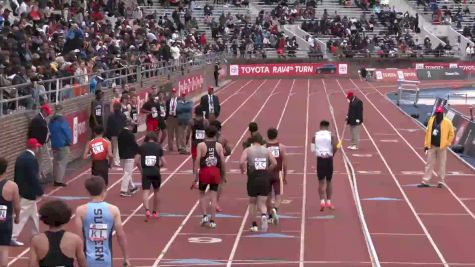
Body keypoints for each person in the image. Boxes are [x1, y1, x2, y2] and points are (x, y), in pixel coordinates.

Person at [75, 176, 131, 267]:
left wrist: (79, 259)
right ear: (104, 190)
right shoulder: (113, 210)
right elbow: (120, 235)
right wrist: (126, 258)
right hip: (106, 259)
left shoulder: (80, 210)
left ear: (88, 192)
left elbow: (78, 238)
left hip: (87, 260)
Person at [29, 199, 86, 267]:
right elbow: (83, 265)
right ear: (67, 217)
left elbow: (31, 265)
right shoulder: (75, 240)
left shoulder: (36, 240)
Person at [239, 133, 276, 232]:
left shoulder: (248, 150)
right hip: (264, 178)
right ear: (261, 141)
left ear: (252, 141)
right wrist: (267, 170)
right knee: (262, 202)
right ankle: (264, 215)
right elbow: (275, 163)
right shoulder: (266, 150)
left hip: (252, 178)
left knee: (252, 202)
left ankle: (254, 225)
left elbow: (241, 162)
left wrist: (242, 170)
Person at [11, 138, 44, 247]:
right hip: (28, 192)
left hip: (21, 189)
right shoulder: (31, 159)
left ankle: (36, 234)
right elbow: (33, 177)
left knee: (34, 214)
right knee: (22, 214)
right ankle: (12, 235)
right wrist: (39, 190)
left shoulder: (21, 157)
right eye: (38, 146)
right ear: (35, 147)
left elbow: (17, 175)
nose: (38, 148)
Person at [194, 126, 226, 228]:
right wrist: (223, 174)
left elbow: (197, 159)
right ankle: (212, 221)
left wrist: (195, 175)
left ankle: (204, 216)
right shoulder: (219, 146)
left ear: (205, 134)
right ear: (215, 134)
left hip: (204, 172)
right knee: (213, 197)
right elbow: (222, 161)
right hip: (215, 172)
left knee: (202, 194)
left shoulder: (201, 145)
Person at [418, 106, 455, 188]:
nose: (438, 114)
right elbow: (428, 133)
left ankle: (441, 182)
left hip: (442, 147)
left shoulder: (447, 122)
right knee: (429, 164)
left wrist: (447, 143)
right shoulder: (431, 120)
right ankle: (425, 181)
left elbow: (452, 134)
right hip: (432, 146)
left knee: (442, 165)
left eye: (439, 113)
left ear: (442, 113)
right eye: (437, 113)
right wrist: (426, 145)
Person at [136, 133, 167, 220]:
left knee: (146, 191)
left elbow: (136, 161)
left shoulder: (142, 147)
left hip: (146, 172)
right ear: (155, 139)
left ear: (146, 138)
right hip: (156, 172)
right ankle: (155, 212)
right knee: (156, 191)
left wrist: (141, 170)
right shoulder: (158, 147)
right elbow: (164, 163)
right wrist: (158, 167)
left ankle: (147, 210)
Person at [311, 120, 338, 211]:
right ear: (328, 127)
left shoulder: (315, 136)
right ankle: (329, 202)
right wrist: (332, 153)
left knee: (321, 182)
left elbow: (312, 149)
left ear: (320, 126)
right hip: (329, 159)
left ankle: (322, 201)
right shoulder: (332, 135)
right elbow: (335, 146)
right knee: (329, 181)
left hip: (320, 160)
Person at [0, 157, 20, 266]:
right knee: (3, 250)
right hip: (4, 221)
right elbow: (17, 206)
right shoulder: (12, 186)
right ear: (6, 170)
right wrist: (17, 217)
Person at [265, 128, 288, 224]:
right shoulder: (282, 147)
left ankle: (269, 216)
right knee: (278, 195)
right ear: (276, 135)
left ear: (267, 135)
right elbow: (285, 163)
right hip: (277, 173)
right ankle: (275, 209)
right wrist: (285, 175)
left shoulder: (264, 147)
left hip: (266, 173)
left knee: (268, 196)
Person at [210, 120, 231, 212]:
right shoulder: (223, 139)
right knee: (219, 183)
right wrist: (222, 154)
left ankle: (212, 201)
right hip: (219, 163)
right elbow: (229, 151)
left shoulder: (206, 139)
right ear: (220, 128)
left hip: (208, 162)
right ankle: (215, 203)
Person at [48, 104, 72, 187]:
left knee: (56, 161)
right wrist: (69, 140)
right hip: (63, 143)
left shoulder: (51, 120)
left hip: (54, 143)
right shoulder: (62, 120)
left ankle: (55, 178)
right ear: (61, 110)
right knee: (62, 162)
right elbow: (66, 131)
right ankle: (59, 180)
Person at [27, 104, 52, 182]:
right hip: (37, 144)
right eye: (48, 112)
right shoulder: (38, 120)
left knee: (40, 160)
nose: (48, 114)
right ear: (44, 111)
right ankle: (38, 178)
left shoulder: (41, 119)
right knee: (38, 160)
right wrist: (36, 144)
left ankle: (40, 175)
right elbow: (34, 133)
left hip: (41, 143)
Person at [118, 121, 139, 197]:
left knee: (126, 172)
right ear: (130, 126)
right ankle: (123, 190)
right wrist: (139, 151)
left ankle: (132, 187)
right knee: (127, 173)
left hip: (121, 156)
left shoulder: (119, 133)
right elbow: (134, 145)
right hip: (129, 156)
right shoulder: (130, 135)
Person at [186, 107, 209, 172]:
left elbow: (188, 133)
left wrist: (186, 141)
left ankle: (194, 169)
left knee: (194, 157)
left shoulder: (191, 121)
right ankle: (202, 168)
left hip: (194, 141)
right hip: (203, 141)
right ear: (202, 113)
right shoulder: (205, 121)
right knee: (203, 156)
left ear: (195, 113)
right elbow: (208, 132)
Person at [106, 102, 127, 167]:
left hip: (113, 134)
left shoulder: (110, 116)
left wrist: (108, 135)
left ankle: (116, 161)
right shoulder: (123, 115)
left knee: (115, 148)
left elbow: (108, 126)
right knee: (119, 147)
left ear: (114, 108)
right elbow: (124, 125)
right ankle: (118, 160)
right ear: (120, 107)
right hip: (121, 133)